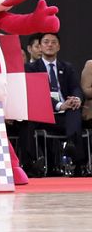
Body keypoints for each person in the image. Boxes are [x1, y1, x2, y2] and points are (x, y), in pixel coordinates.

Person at [25, 32, 85, 174]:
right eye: (46, 42)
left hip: (64, 116)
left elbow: (76, 88)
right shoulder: (31, 68)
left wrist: (76, 99)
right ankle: (32, 165)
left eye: (53, 42)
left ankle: (72, 149)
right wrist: (59, 105)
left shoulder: (67, 67)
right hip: (42, 115)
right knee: (27, 122)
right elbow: (36, 94)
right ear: (40, 46)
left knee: (75, 110)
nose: (50, 45)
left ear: (59, 46)